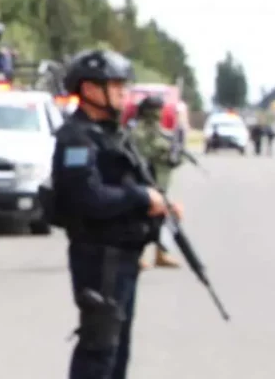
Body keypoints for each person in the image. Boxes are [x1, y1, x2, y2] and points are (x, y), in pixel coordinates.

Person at [47, 49, 182, 379]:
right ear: (91, 90)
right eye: (116, 86)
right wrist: (140, 197)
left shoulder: (112, 134)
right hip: (98, 257)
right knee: (99, 350)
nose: (124, 93)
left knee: (117, 351)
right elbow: (88, 198)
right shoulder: (77, 139)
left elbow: (130, 179)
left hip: (122, 256)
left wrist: (161, 202)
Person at [130, 95, 182, 269]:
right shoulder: (139, 132)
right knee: (142, 220)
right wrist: (164, 152)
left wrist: (175, 155)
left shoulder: (161, 131)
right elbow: (143, 153)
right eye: (156, 109)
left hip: (161, 181)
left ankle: (161, 254)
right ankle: (136, 255)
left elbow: (171, 157)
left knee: (167, 217)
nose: (159, 113)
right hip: (145, 182)